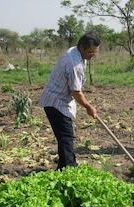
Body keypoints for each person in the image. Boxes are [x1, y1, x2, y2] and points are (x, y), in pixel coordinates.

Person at [39, 32, 100, 170]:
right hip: (56, 102)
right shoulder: (74, 63)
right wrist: (88, 107)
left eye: (95, 52)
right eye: (91, 52)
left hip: (60, 100)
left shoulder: (76, 52)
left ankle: (63, 167)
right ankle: (70, 169)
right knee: (66, 136)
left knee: (64, 137)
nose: (93, 55)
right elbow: (75, 92)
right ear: (82, 48)